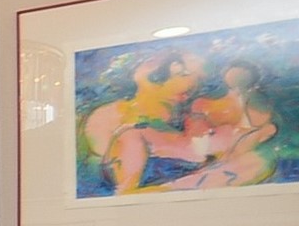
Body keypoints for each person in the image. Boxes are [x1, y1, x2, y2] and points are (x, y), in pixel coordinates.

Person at [82, 51, 207, 193]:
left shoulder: (191, 116)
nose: (186, 93)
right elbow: (126, 190)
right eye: (181, 74)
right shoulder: (118, 123)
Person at [163, 62, 279, 190]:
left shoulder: (255, 102)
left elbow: (262, 126)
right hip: (222, 156)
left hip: (245, 154)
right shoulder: (217, 103)